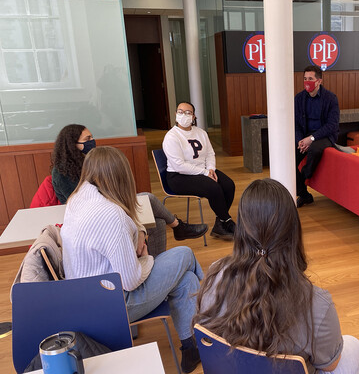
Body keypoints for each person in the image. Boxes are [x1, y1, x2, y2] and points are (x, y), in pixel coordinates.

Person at [195, 178, 359, 374]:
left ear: (242, 229)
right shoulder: (317, 304)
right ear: (293, 231)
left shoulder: (215, 275)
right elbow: (330, 365)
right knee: (353, 347)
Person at [61, 147, 203, 373]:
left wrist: (142, 235)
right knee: (185, 254)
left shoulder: (79, 198)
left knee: (184, 279)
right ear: (122, 176)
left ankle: (191, 348)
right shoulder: (110, 214)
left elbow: (131, 220)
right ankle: (210, 306)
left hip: (85, 300)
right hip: (113, 305)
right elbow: (130, 280)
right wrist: (146, 258)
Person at [51, 124, 207, 251]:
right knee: (149, 198)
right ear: (73, 145)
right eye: (88, 139)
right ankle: (178, 226)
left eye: (92, 137)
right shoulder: (61, 173)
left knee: (158, 221)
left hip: (109, 204)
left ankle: (156, 260)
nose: (93, 141)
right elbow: (82, 203)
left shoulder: (90, 161)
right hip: (93, 217)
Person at [163, 102, 236, 240]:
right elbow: (179, 165)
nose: (183, 115)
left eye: (188, 112)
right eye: (180, 111)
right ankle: (226, 221)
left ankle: (220, 224)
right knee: (213, 188)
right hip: (178, 177)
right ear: (175, 114)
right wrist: (204, 173)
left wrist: (211, 169)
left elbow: (210, 153)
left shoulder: (201, 133)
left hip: (203, 170)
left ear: (194, 116)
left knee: (228, 185)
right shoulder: (172, 136)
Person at [295, 65, 340, 207]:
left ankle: (305, 175)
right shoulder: (299, 98)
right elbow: (296, 123)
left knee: (314, 149)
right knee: (291, 155)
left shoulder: (331, 98)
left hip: (325, 136)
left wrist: (311, 139)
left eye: (311, 79)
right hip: (305, 136)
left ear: (319, 81)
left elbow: (332, 125)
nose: (307, 82)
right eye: (305, 79)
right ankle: (303, 194)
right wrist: (300, 141)